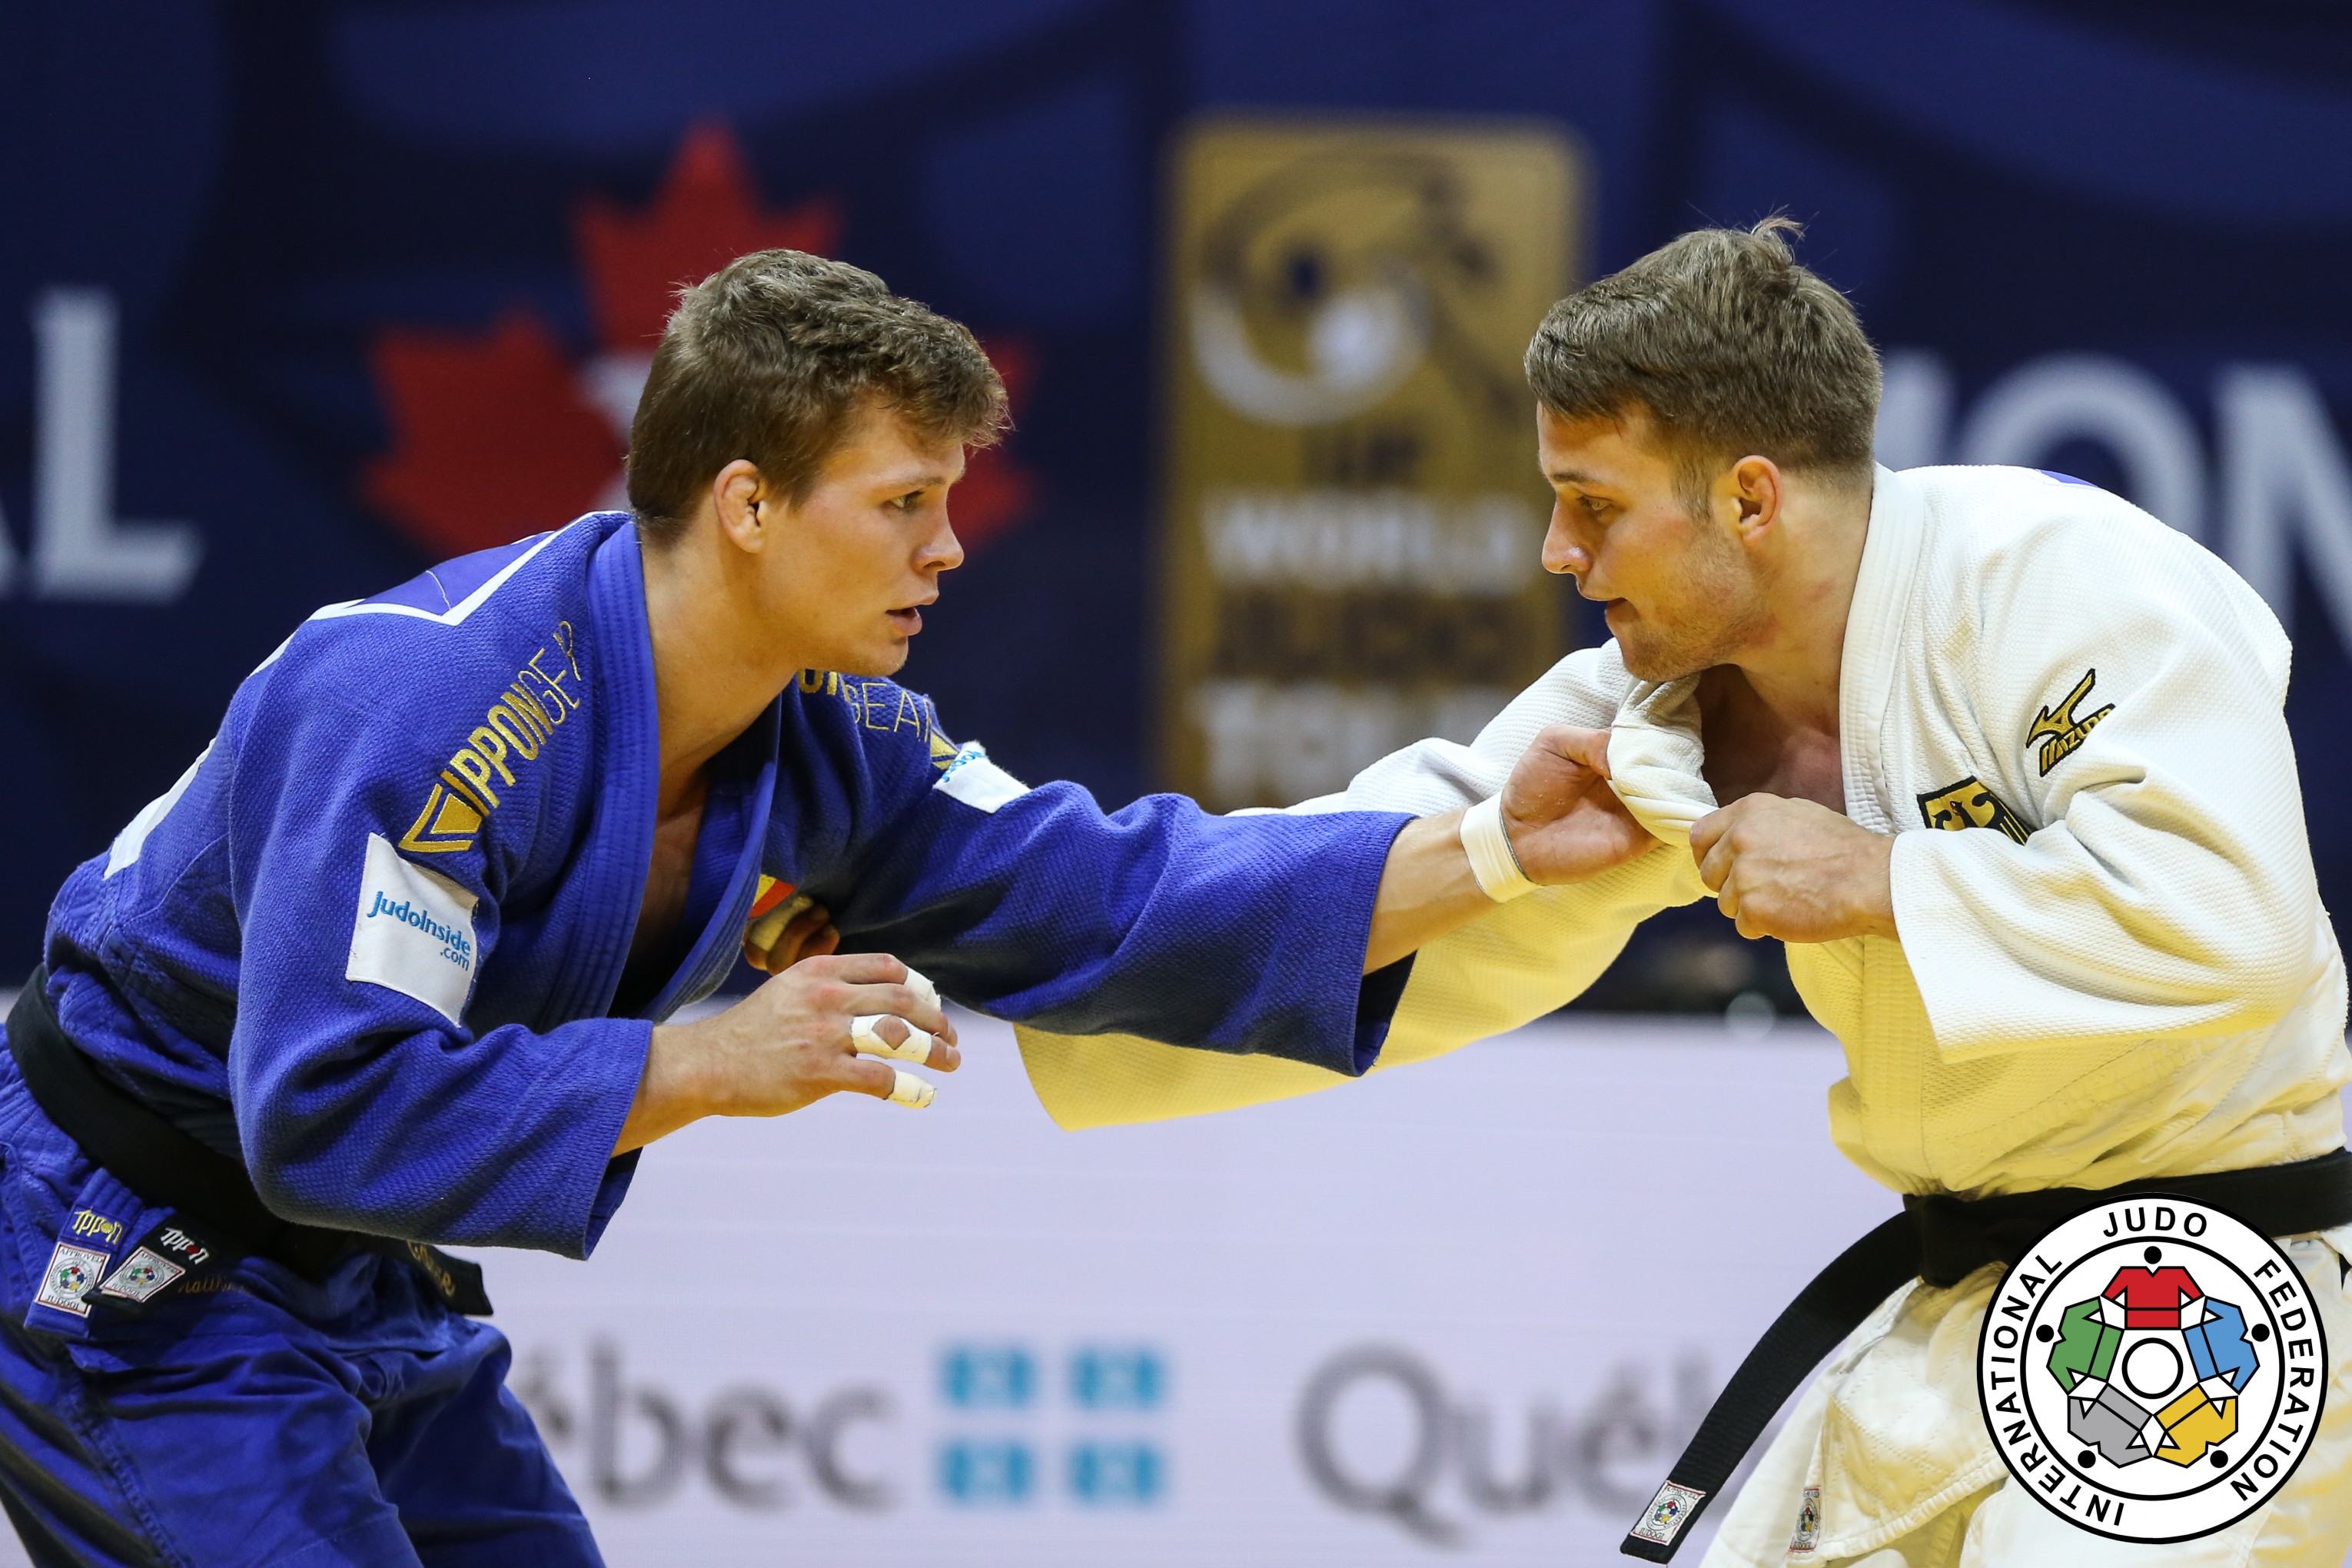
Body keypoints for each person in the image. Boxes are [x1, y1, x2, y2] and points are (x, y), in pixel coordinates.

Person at [0, 251, 1649, 1566]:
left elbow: (1111, 895)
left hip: (361, 1274)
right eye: (903, 503)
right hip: (133, 1251)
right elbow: (329, 1111)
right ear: (747, 504)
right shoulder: (430, 703)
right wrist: (707, 1062)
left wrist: (1493, 850)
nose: (949, 549)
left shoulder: (829, 734)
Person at [1015, 221, 2352, 1567]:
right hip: (1967, 1308)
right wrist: (1030, 955)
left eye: (1593, 503)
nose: (1556, 550)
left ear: (1751, 501)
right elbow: (1382, 856)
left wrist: (1883, 878)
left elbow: (2234, 920)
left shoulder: (2052, 582)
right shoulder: (1663, 714)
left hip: (2211, 1305)